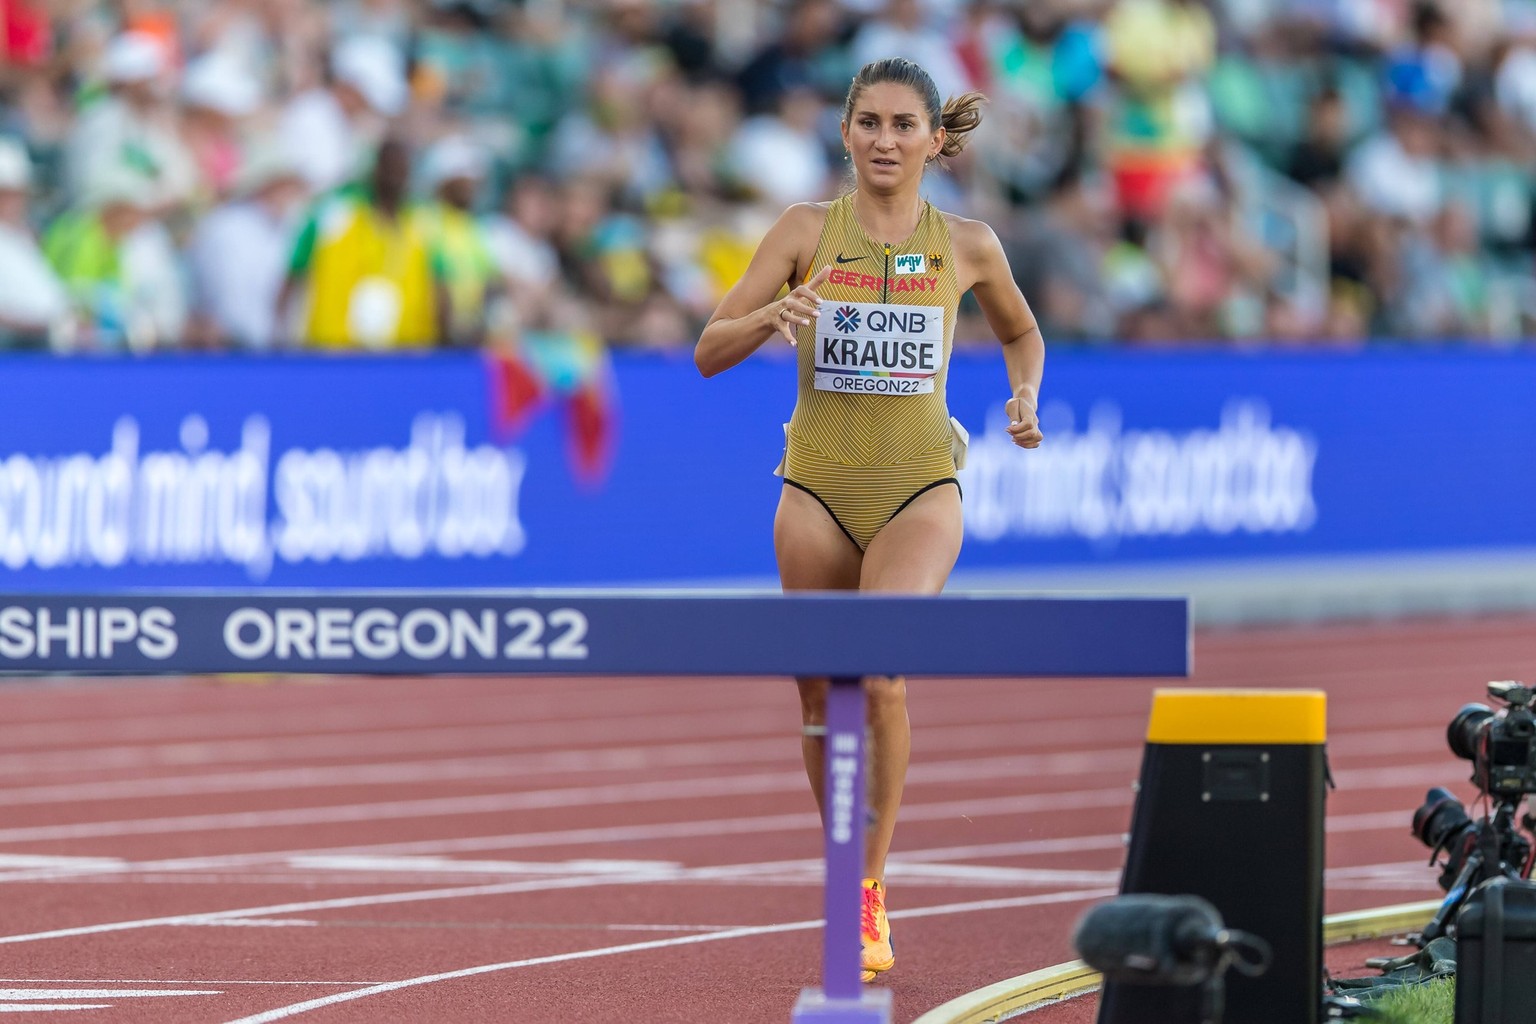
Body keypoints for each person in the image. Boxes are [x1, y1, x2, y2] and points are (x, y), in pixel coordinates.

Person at [694, 56, 1044, 985]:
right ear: (845, 134)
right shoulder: (806, 230)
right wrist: (776, 311)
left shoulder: (967, 243)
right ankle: (846, 864)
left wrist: (1023, 393)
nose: (885, 140)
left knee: (879, 674)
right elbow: (706, 351)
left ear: (936, 140)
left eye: (903, 125)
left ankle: (865, 888)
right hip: (812, 487)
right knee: (820, 697)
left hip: (919, 487)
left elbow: (1020, 329)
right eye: (869, 123)